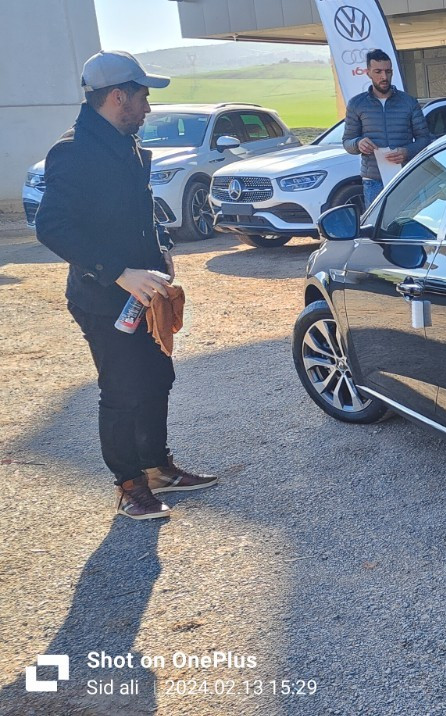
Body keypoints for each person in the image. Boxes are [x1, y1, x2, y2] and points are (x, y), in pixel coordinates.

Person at [35, 51, 218, 520]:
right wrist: (119, 271)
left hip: (144, 292)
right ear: (118, 96)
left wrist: (161, 251)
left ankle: (158, 469)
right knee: (121, 390)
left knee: (158, 378)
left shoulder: (128, 145)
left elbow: (140, 210)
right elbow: (53, 227)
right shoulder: (73, 151)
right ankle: (130, 486)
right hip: (102, 296)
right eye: (143, 96)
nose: (148, 108)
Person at [342, 49, 433, 207]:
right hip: (373, 180)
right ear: (368, 72)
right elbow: (347, 142)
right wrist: (358, 143)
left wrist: (407, 152)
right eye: (378, 72)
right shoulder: (357, 104)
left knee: (409, 225)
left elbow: (425, 139)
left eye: (388, 71)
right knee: (377, 229)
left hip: (405, 176)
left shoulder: (409, 102)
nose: (384, 77)